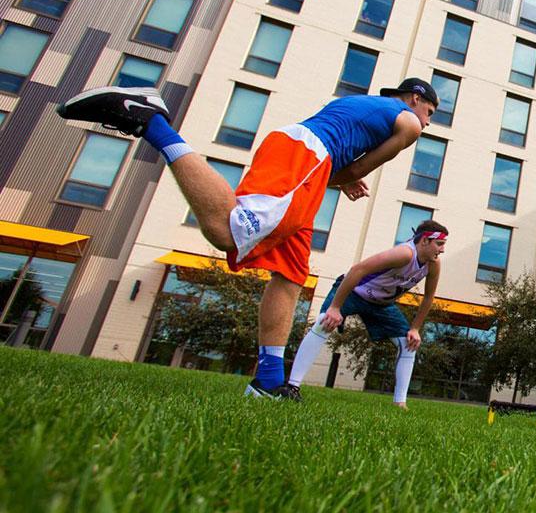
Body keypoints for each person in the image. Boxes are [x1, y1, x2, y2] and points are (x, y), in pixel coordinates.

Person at [56, 77, 439, 399]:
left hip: (303, 153)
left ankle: (269, 382)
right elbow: (353, 169)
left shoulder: (368, 103)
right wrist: (348, 175)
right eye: (430, 113)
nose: (428, 123)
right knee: (228, 230)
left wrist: (341, 174)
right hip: (308, 158)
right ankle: (151, 121)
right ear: (415, 99)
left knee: (290, 275)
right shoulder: (408, 123)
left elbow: (342, 162)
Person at [287, 219, 448, 406]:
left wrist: (415, 328)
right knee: (325, 322)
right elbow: (358, 269)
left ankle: (400, 403)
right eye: (440, 244)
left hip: (381, 304)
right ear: (425, 241)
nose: (442, 250)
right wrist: (335, 307)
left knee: (409, 342)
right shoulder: (404, 254)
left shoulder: (433, 265)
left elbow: (428, 297)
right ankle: (292, 386)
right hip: (354, 292)